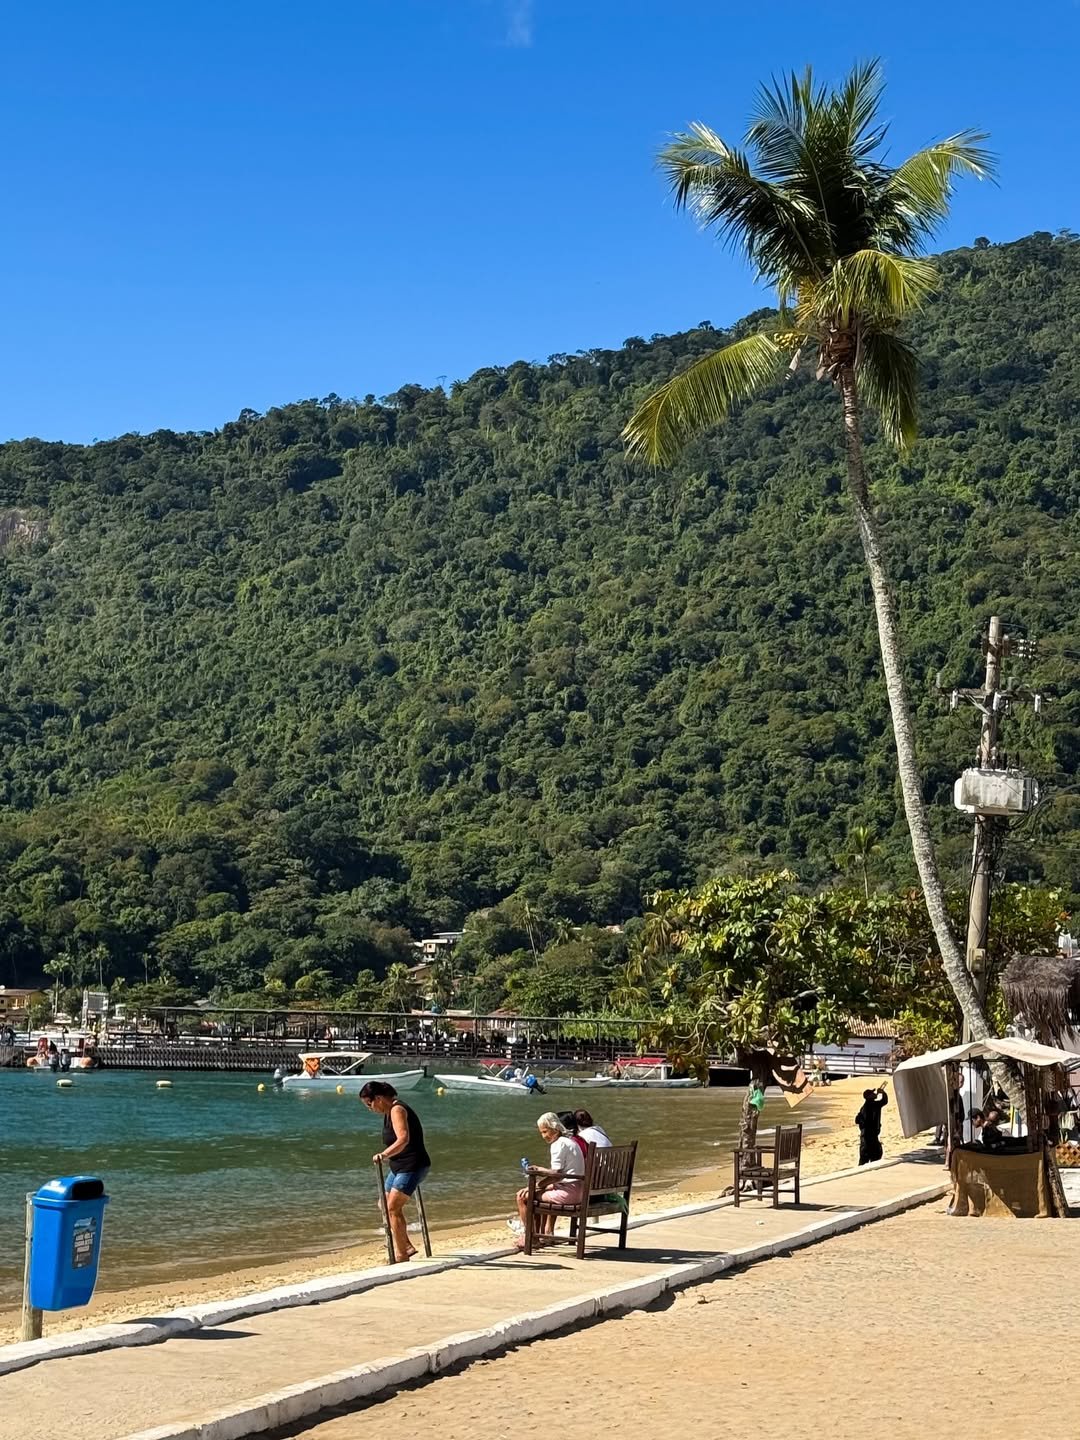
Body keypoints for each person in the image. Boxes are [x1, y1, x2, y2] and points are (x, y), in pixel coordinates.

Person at [359, 1081, 431, 1263]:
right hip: (399, 1166)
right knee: (383, 1204)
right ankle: (406, 1245)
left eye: (370, 1104)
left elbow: (403, 1139)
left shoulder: (397, 1110)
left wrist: (384, 1154)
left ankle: (401, 1255)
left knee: (393, 1207)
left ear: (379, 1098)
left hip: (413, 1165)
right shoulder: (387, 1112)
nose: (370, 1109)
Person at [514, 1112, 585, 1248]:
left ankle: (529, 1237)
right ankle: (540, 1234)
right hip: (580, 1191)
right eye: (541, 1133)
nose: (544, 1136)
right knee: (535, 1192)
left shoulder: (558, 1145)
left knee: (521, 1197)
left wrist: (535, 1183)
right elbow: (560, 1174)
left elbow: (556, 1175)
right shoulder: (570, 1142)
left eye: (545, 1131)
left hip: (568, 1194)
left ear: (555, 1128)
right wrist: (539, 1183)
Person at [855, 1082, 889, 1165]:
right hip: (868, 1136)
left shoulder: (868, 1106)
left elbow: (857, 1120)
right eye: (872, 1093)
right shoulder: (872, 1106)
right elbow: (884, 1101)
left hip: (868, 1136)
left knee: (870, 1157)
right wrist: (883, 1093)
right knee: (869, 1157)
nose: (874, 1094)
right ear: (869, 1096)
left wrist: (882, 1092)